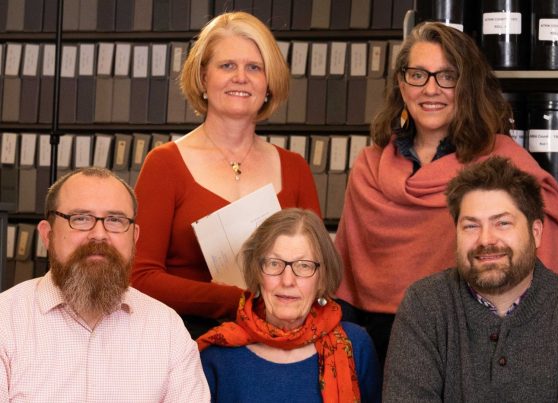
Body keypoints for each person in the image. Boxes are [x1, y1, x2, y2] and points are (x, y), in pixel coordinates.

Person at [334, 21, 558, 364]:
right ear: (402, 84)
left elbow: (542, 260)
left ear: (467, 87)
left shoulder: (505, 162)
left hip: (473, 343)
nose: (431, 89)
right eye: (418, 75)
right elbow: (346, 285)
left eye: (447, 76)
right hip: (378, 348)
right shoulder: (368, 168)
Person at [131, 12, 321, 338]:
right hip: (184, 341)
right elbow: (139, 276)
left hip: (277, 342)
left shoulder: (295, 168)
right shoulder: (164, 164)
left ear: (268, 84)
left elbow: (319, 271)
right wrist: (235, 300)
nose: (241, 77)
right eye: (227, 66)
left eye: (254, 67)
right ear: (203, 77)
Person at [383, 157, 558, 402]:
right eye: (471, 226)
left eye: (503, 223)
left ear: (536, 232)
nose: (486, 240)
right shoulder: (424, 305)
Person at [0, 167, 209, 402]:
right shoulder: (5, 322)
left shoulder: (166, 329)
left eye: (115, 220)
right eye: (80, 218)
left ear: (134, 237)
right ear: (48, 235)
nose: (99, 234)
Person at [198, 208, 381, 402]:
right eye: (274, 263)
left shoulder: (355, 345)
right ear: (257, 272)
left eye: (303, 265)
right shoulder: (217, 353)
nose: (287, 280)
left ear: (322, 279)